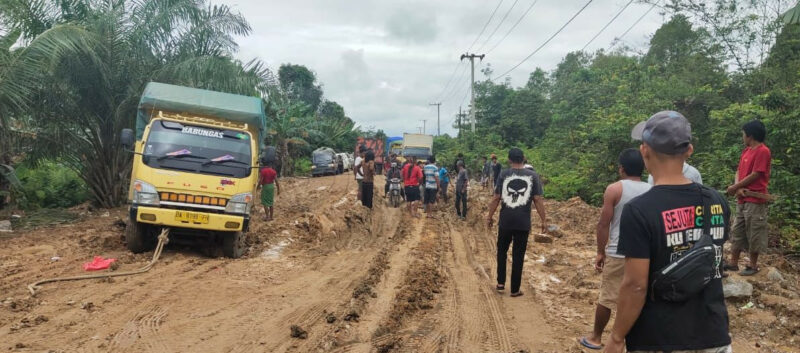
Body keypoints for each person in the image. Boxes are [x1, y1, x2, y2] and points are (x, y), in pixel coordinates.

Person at [605, 111, 730, 353]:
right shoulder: (716, 200)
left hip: (659, 337)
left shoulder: (639, 210)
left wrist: (617, 336)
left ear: (645, 151)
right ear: (689, 150)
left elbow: (635, 285)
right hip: (713, 335)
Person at [578, 149, 651, 351]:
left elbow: (603, 224)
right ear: (643, 168)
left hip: (619, 251)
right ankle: (634, 340)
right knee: (639, 296)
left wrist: (601, 252)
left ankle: (596, 337)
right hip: (645, 254)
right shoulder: (652, 189)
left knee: (608, 296)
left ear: (621, 169)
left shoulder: (614, 189)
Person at [486, 148, 546, 297]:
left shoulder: (504, 174)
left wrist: (489, 216)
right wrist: (544, 220)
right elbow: (537, 199)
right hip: (523, 222)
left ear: (509, 160)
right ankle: (514, 289)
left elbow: (496, 197)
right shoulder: (533, 176)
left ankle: (500, 283)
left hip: (505, 220)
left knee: (501, 251)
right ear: (523, 158)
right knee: (518, 255)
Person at [725, 120, 771, 276]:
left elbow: (756, 173)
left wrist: (735, 187)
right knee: (737, 229)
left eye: (743, 134)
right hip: (742, 198)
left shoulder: (763, 151)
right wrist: (737, 186)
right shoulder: (746, 151)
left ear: (750, 135)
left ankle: (752, 265)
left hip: (755, 199)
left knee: (754, 231)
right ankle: (733, 262)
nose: (742, 137)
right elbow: (738, 170)